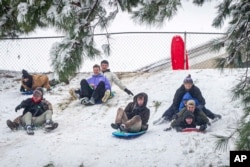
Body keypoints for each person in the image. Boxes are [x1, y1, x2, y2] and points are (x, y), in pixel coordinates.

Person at [153, 74, 221, 125]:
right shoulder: (179, 91)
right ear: (184, 84)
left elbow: (202, 101)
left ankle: (213, 116)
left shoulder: (195, 90)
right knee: (172, 106)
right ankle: (165, 117)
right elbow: (175, 102)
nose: (188, 86)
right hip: (182, 103)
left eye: (189, 84)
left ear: (192, 84)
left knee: (202, 108)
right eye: (186, 84)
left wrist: (199, 107)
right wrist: (177, 112)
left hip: (193, 103)